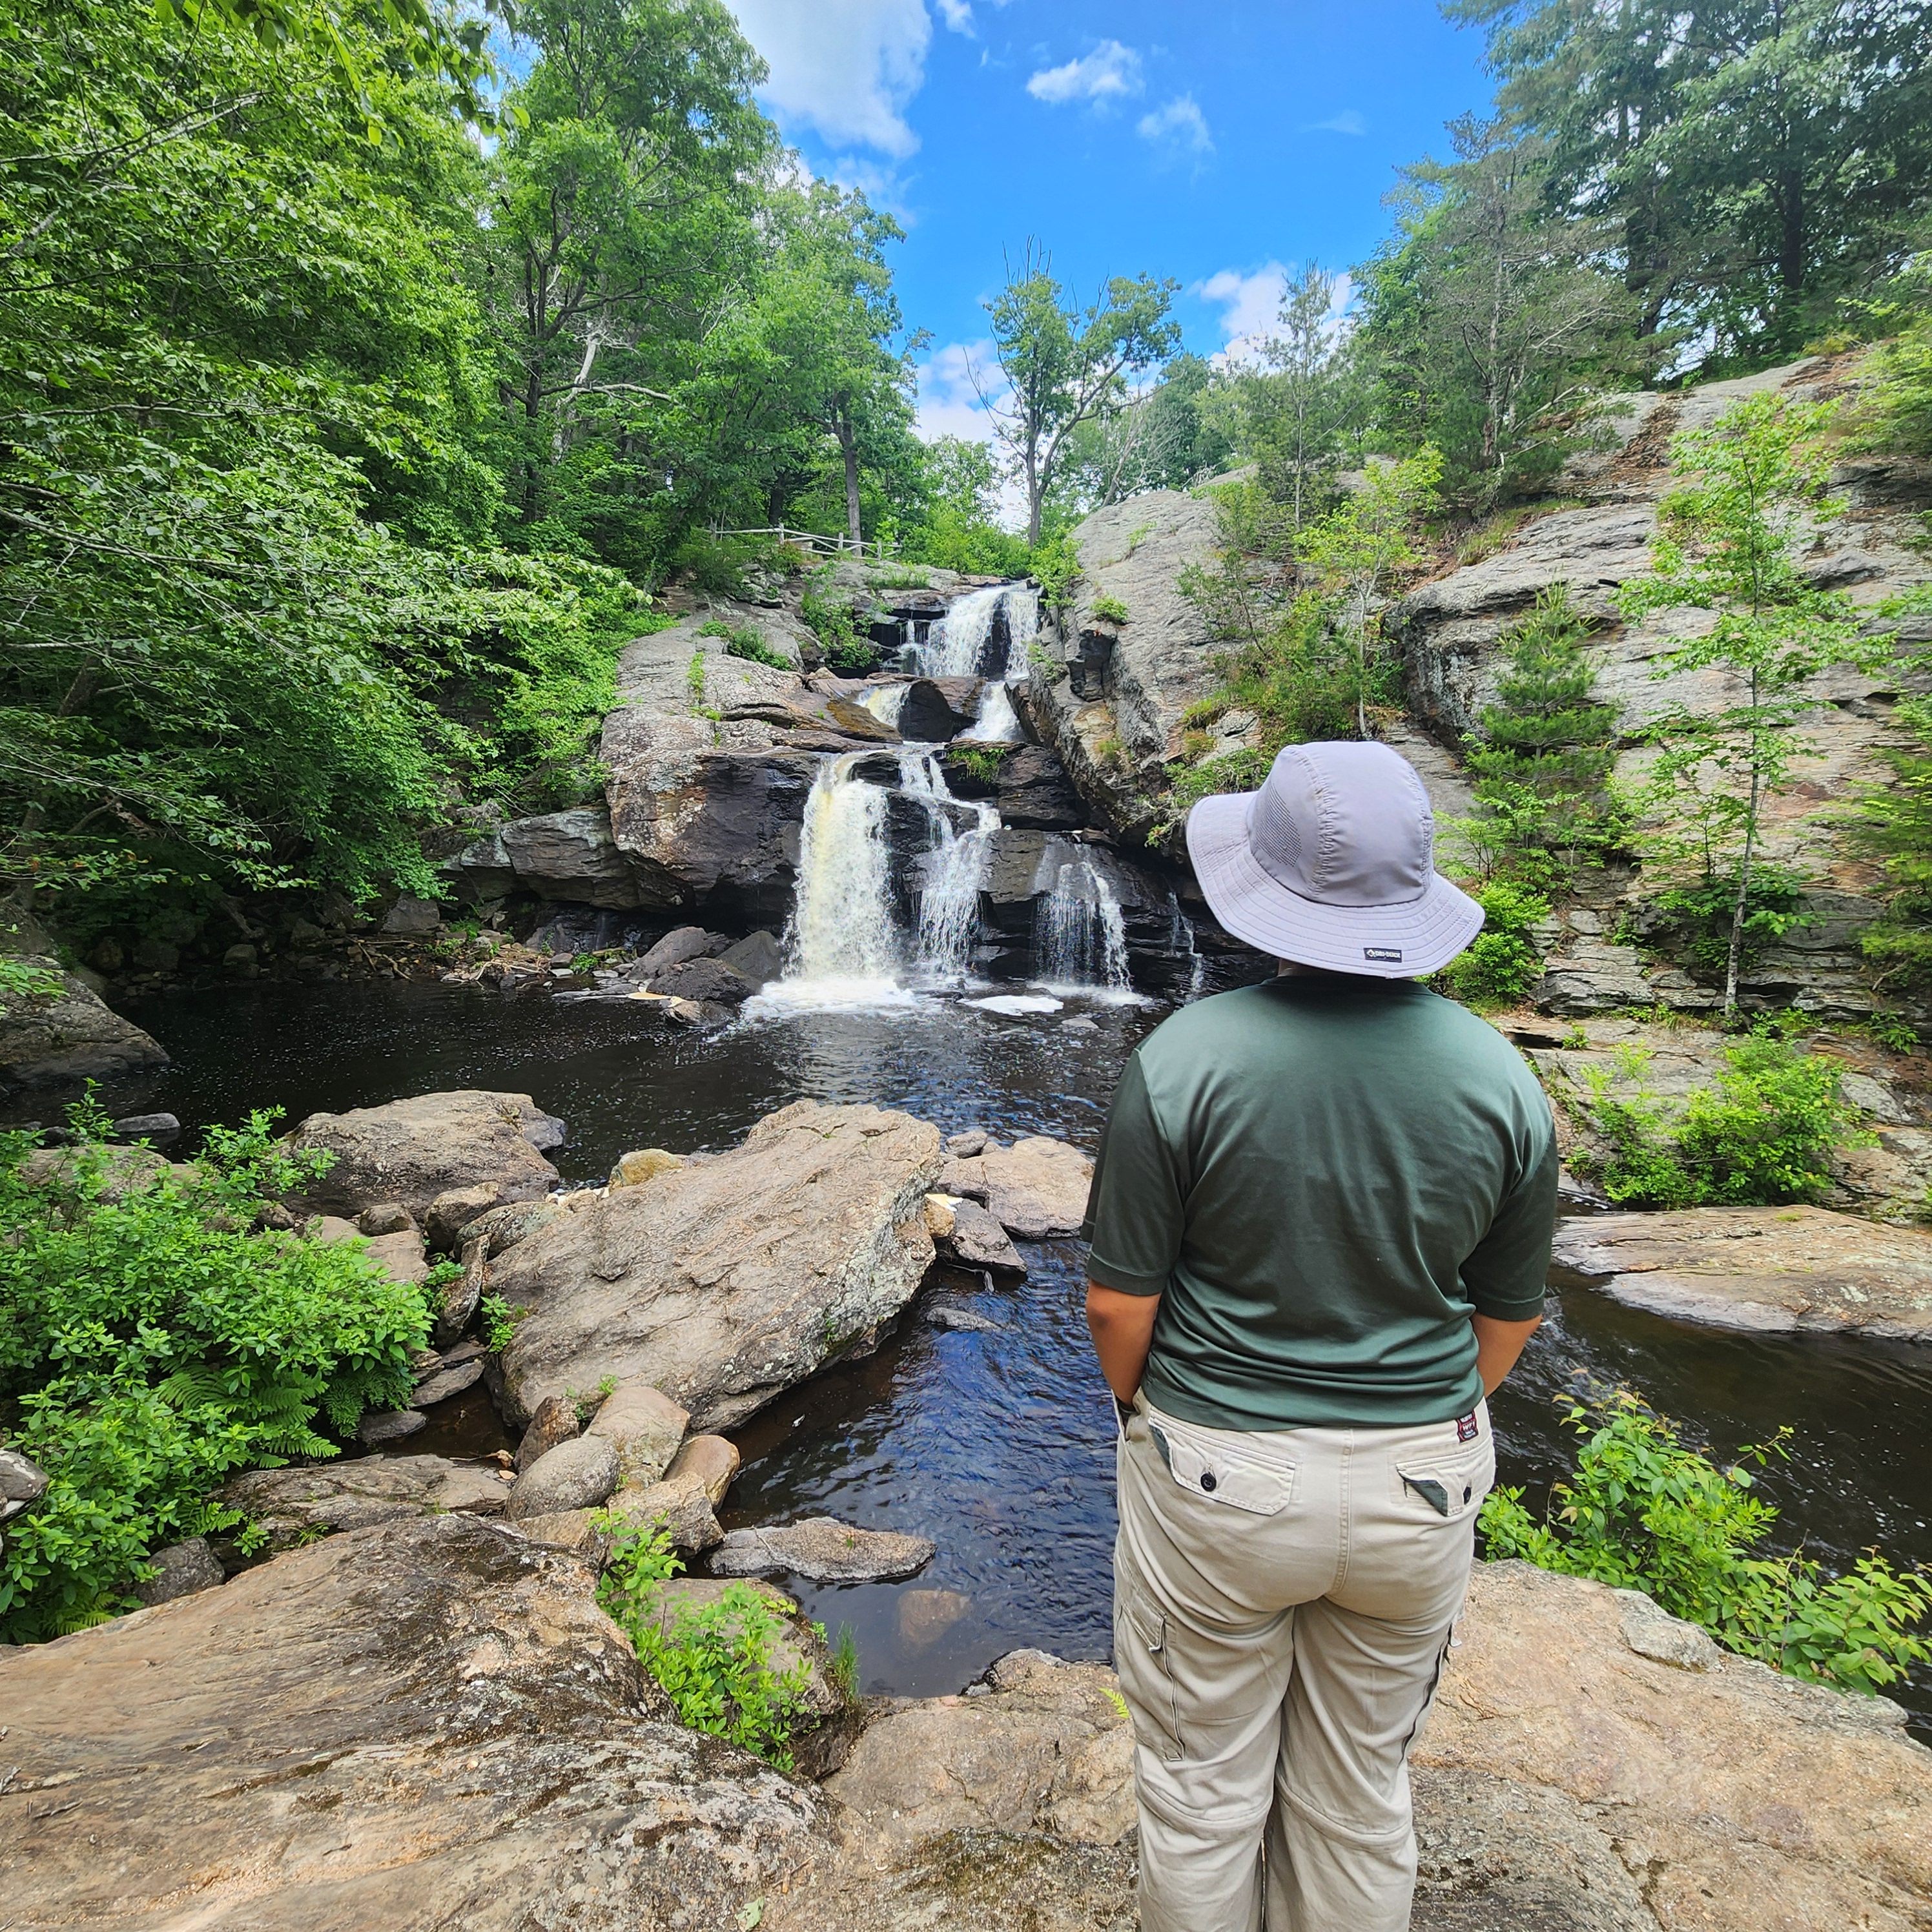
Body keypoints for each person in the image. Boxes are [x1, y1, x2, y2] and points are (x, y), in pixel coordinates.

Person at [1082, 739, 1557, 1932]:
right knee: (1359, 1790)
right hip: (1421, 1480)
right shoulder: (1502, 1077)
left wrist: (1142, 1416)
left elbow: (1115, 1305)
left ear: (1265, 888)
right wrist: (1437, 1409)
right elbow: (1509, 1316)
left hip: (1218, 1472)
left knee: (1202, 1789)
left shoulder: (1184, 1056)